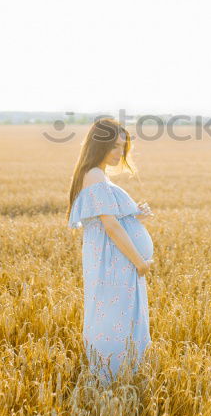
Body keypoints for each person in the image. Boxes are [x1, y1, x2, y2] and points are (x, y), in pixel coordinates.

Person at [66, 117, 155, 386]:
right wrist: (139, 261)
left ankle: (117, 376)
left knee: (115, 315)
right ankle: (110, 379)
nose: (120, 153)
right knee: (113, 317)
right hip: (114, 262)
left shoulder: (96, 174)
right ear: (100, 144)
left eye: (123, 147)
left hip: (113, 261)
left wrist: (134, 217)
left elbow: (111, 222)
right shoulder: (94, 175)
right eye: (115, 146)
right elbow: (111, 226)